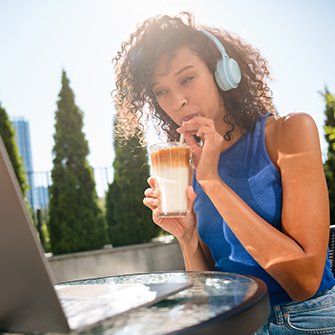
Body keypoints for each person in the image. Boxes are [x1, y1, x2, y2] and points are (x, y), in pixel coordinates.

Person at [112, 11, 335, 334]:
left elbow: (305, 281)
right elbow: (208, 295)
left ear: (222, 72)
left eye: (187, 78)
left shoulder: (288, 133)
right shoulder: (186, 167)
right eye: (161, 91)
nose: (178, 101)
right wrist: (187, 237)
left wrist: (213, 182)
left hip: (306, 320)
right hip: (238, 322)